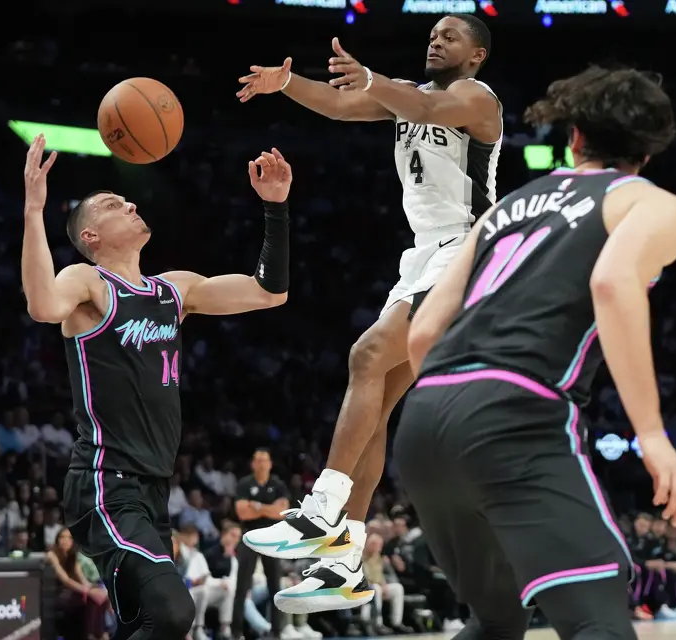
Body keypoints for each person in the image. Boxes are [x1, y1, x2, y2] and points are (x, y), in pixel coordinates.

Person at [391, 65, 676, 639]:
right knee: (597, 620)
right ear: (650, 150)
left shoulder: (506, 207)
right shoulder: (649, 203)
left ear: (575, 136)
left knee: (499, 619)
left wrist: (455, 407)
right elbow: (611, 283)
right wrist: (652, 436)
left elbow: (423, 331)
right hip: (515, 411)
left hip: (424, 418)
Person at [237, 13, 503, 612]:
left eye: (450, 36)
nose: (436, 40)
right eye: (432, 33)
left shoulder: (477, 99)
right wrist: (287, 86)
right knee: (376, 401)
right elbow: (341, 107)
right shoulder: (405, 98)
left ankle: (321, 508)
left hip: (469, 249)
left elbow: (428, 110)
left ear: (477, 55)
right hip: (423, 257)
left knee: (365, 355)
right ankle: (345, 561)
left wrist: (372, 78)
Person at [20, 134, 292, 640]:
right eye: (111, 205)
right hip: (106, 483)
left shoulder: (174, 289)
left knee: (142, 624)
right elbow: (41, 304)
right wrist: (34, 211)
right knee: (173, 613)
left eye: (125, 198)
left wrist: (275, 209)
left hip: (152, 489)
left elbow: (268, 293)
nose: (129, 201)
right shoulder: (89, 283)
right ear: (92, 236)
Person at [232, 449, 289, 638]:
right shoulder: (244, 484)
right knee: (242, 585)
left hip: (272, 537)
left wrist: (257, 507)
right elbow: (242, 513)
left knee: (275, 584)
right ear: (252, 464)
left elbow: (282, 513)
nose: (262, 464)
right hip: (250, 536)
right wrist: (269, 509)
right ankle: (236, 631)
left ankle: (277, 631)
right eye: (258, 460)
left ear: (270, 464)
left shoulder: (278, 484)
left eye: (265, 460)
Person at [48, 527, 110, 640]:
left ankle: (99, 633)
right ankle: (93, 634)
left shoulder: (73, 556)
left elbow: (82, 578)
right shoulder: (52, 555)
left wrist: (97, 590)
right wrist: (89, 592)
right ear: (57, 539)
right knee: (91, 597)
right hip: (58, 593)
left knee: (99, 597)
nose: (65, 540)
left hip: (73, 592)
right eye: (62, 537)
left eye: (69, 538)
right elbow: (65, 580)